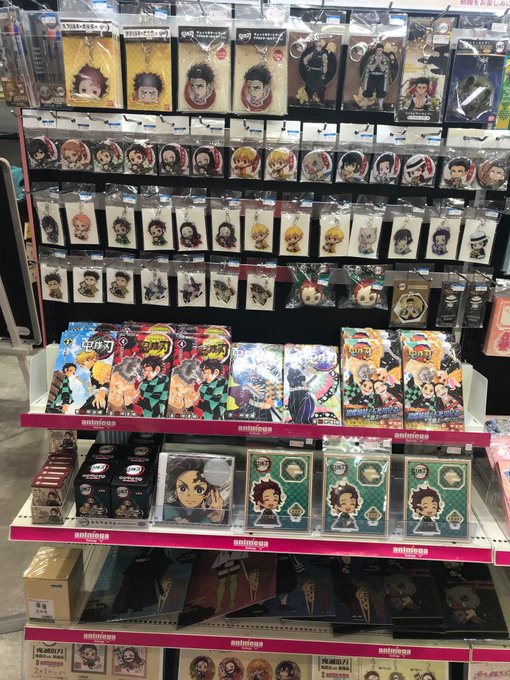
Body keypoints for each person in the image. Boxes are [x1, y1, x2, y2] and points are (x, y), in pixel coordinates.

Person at [164, 455, 226, 523]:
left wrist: (215, 521)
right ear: (176, 490)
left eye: (199, 490)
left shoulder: (210, 514)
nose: (190, 495)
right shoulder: (167, 509)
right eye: (183, 489)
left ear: (207, 493)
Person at [362, 43, 389, 110]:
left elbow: (383, 69)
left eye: (381, 50)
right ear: (376, 50)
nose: (379, 52)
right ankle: (365, 105)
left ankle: (380, 106)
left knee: (381, 91)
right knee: (368, 90)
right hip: (372, 76)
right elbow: (371, 69)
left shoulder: (385, 58)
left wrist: (379, 62)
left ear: (382, 50)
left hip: (381, 77)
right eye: (378, 50)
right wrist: (376, 62)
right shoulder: (371, 58)